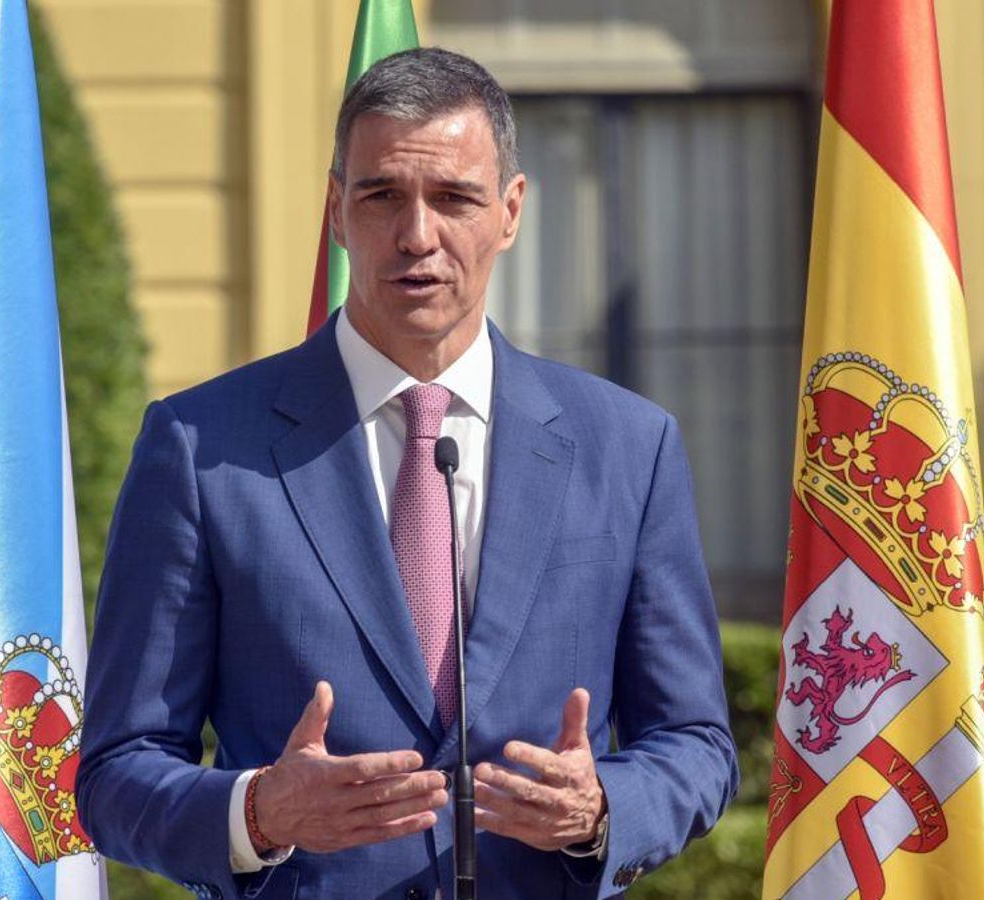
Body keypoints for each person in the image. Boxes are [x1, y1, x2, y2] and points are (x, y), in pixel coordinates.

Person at [76, 47, 737, 899]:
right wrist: (259, 814)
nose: (417, 235)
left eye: (454, 198)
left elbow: (697, 745)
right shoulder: (200, 447)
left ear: (510, 211)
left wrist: (602, 807)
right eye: (382, 195)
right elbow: (117, 772)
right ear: (336, 210)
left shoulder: (629, 448)